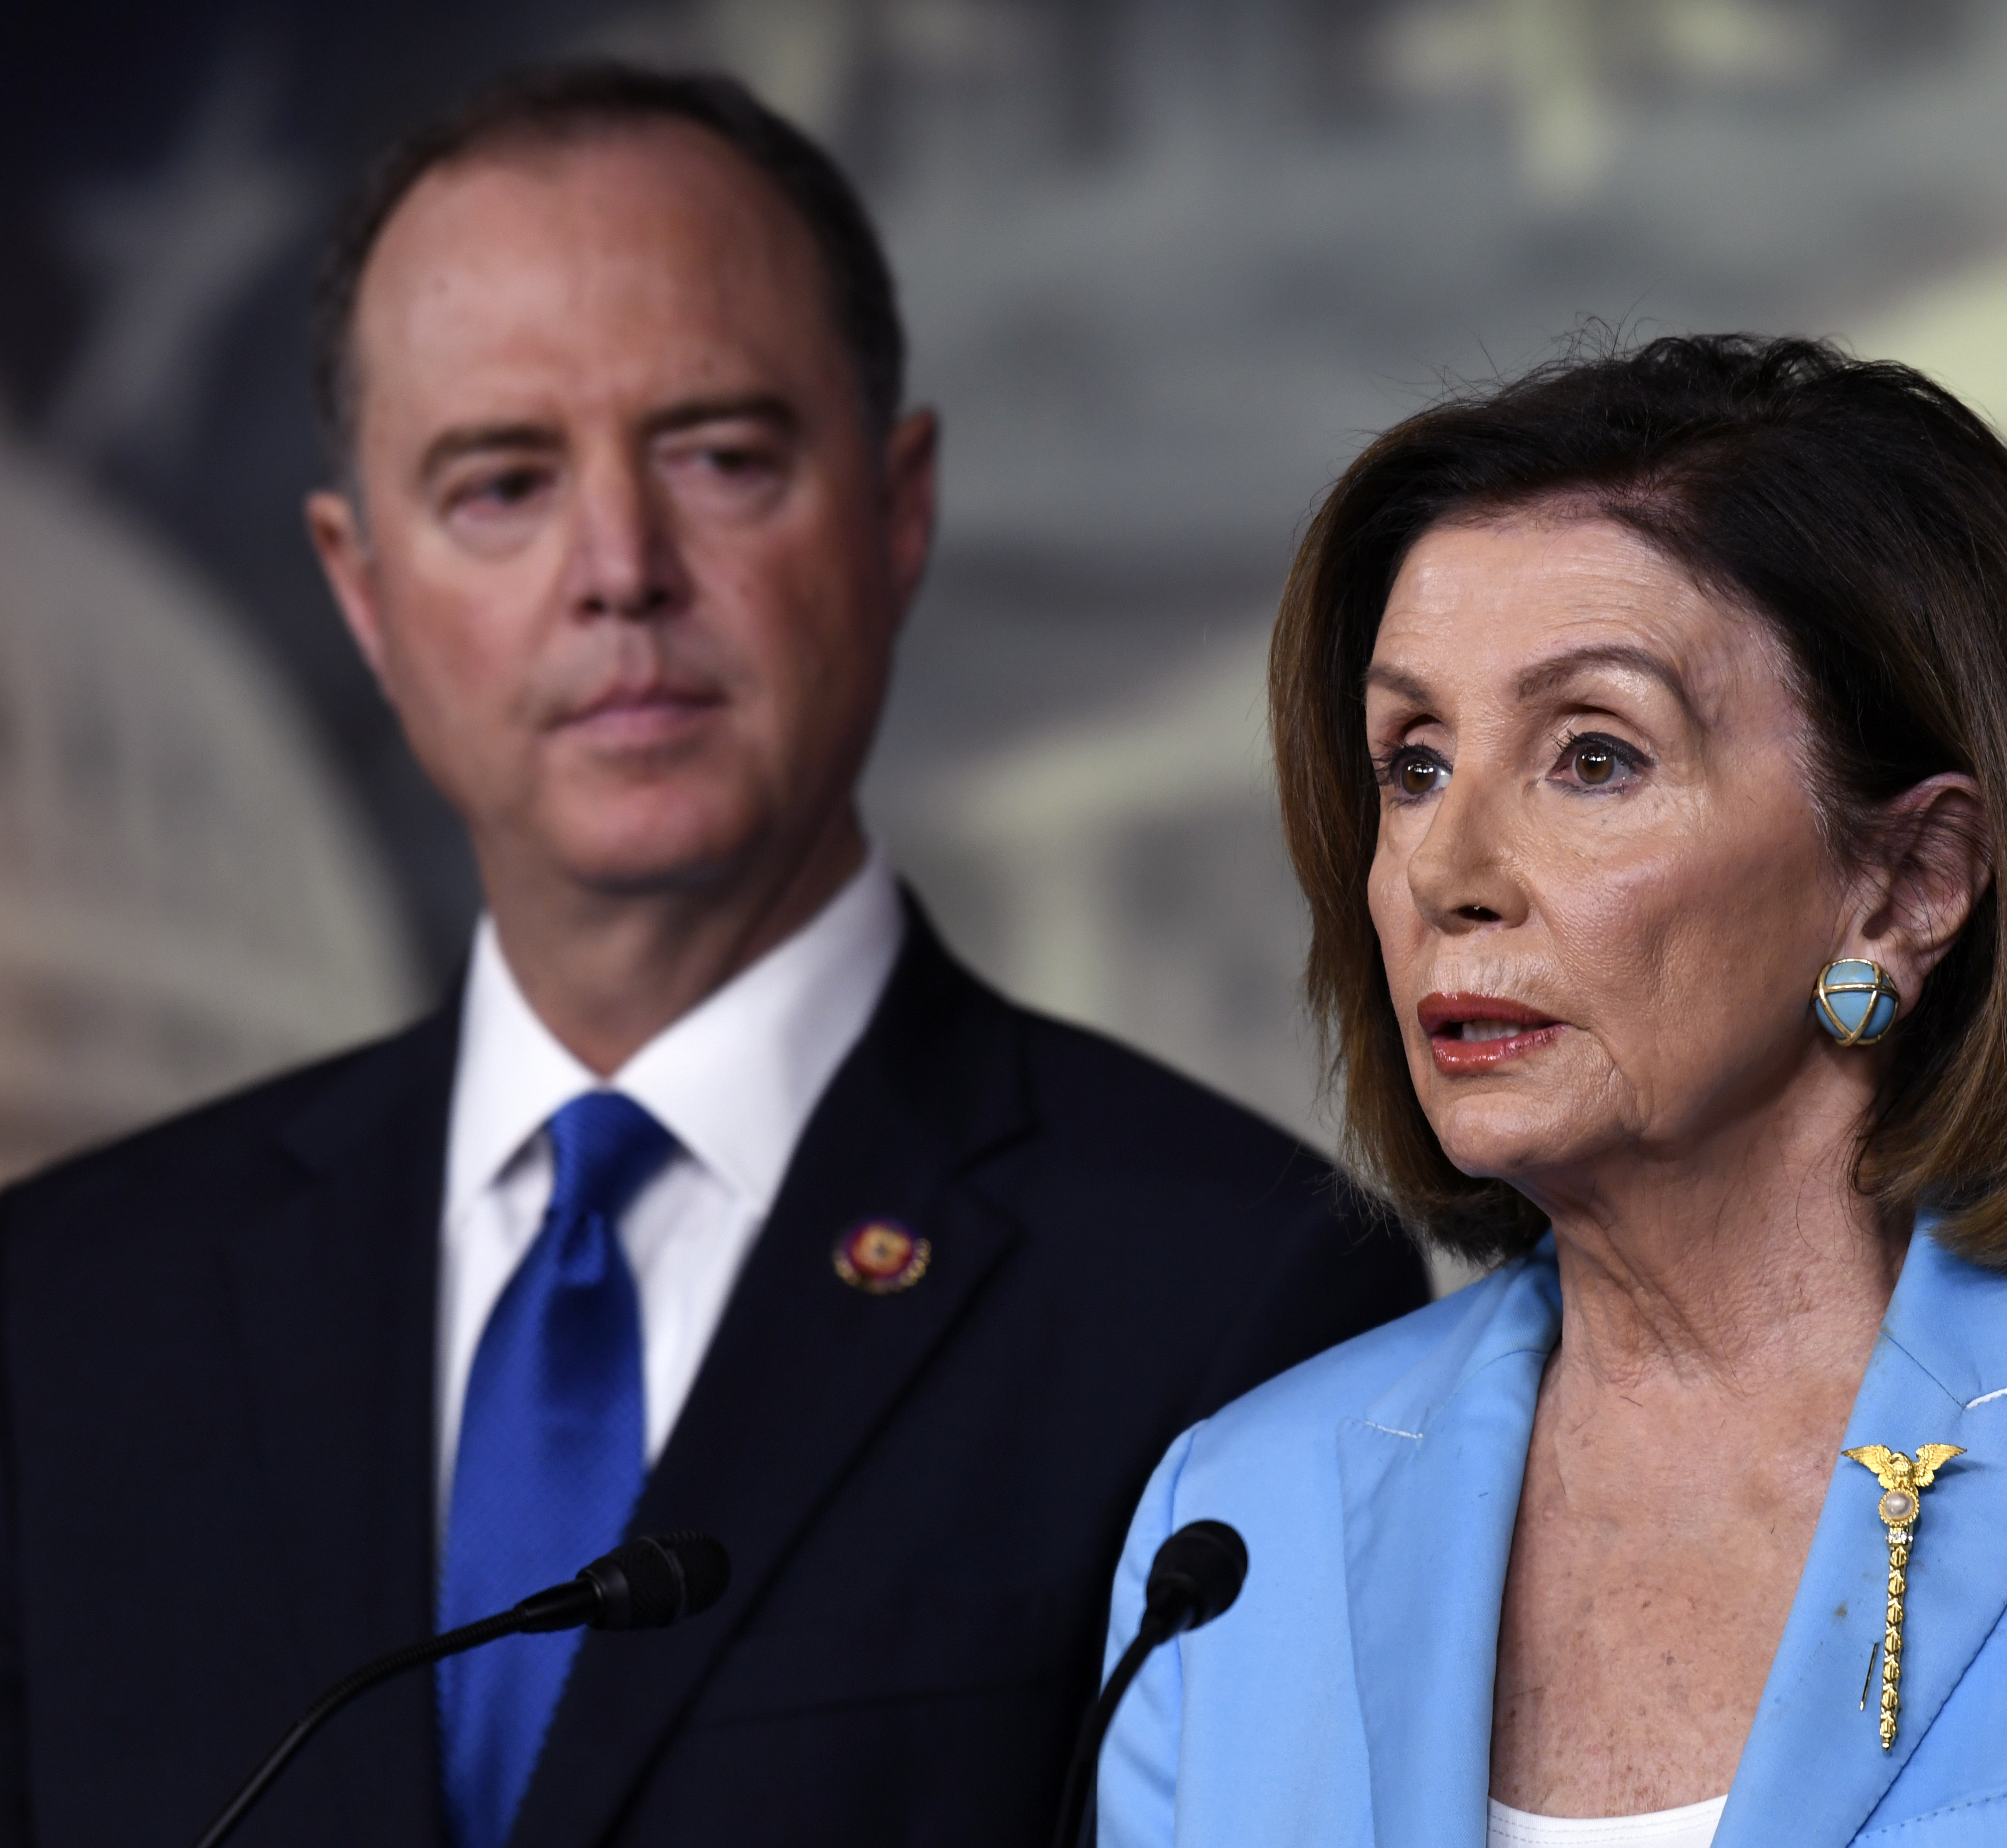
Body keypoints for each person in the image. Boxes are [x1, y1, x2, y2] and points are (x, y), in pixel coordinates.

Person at [0, 63, 1424, 1848]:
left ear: (897, 510)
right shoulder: (62, 1320)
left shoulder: (1233, 1296)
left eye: (721, 457)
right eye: (501, 483)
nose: (620, 567)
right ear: (360, 589)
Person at [1094, 335, 2007, 1847]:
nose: (1444, 871)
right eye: (1414, 763)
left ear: (1908, 882)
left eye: (1592, 757)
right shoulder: (1237, 1523)